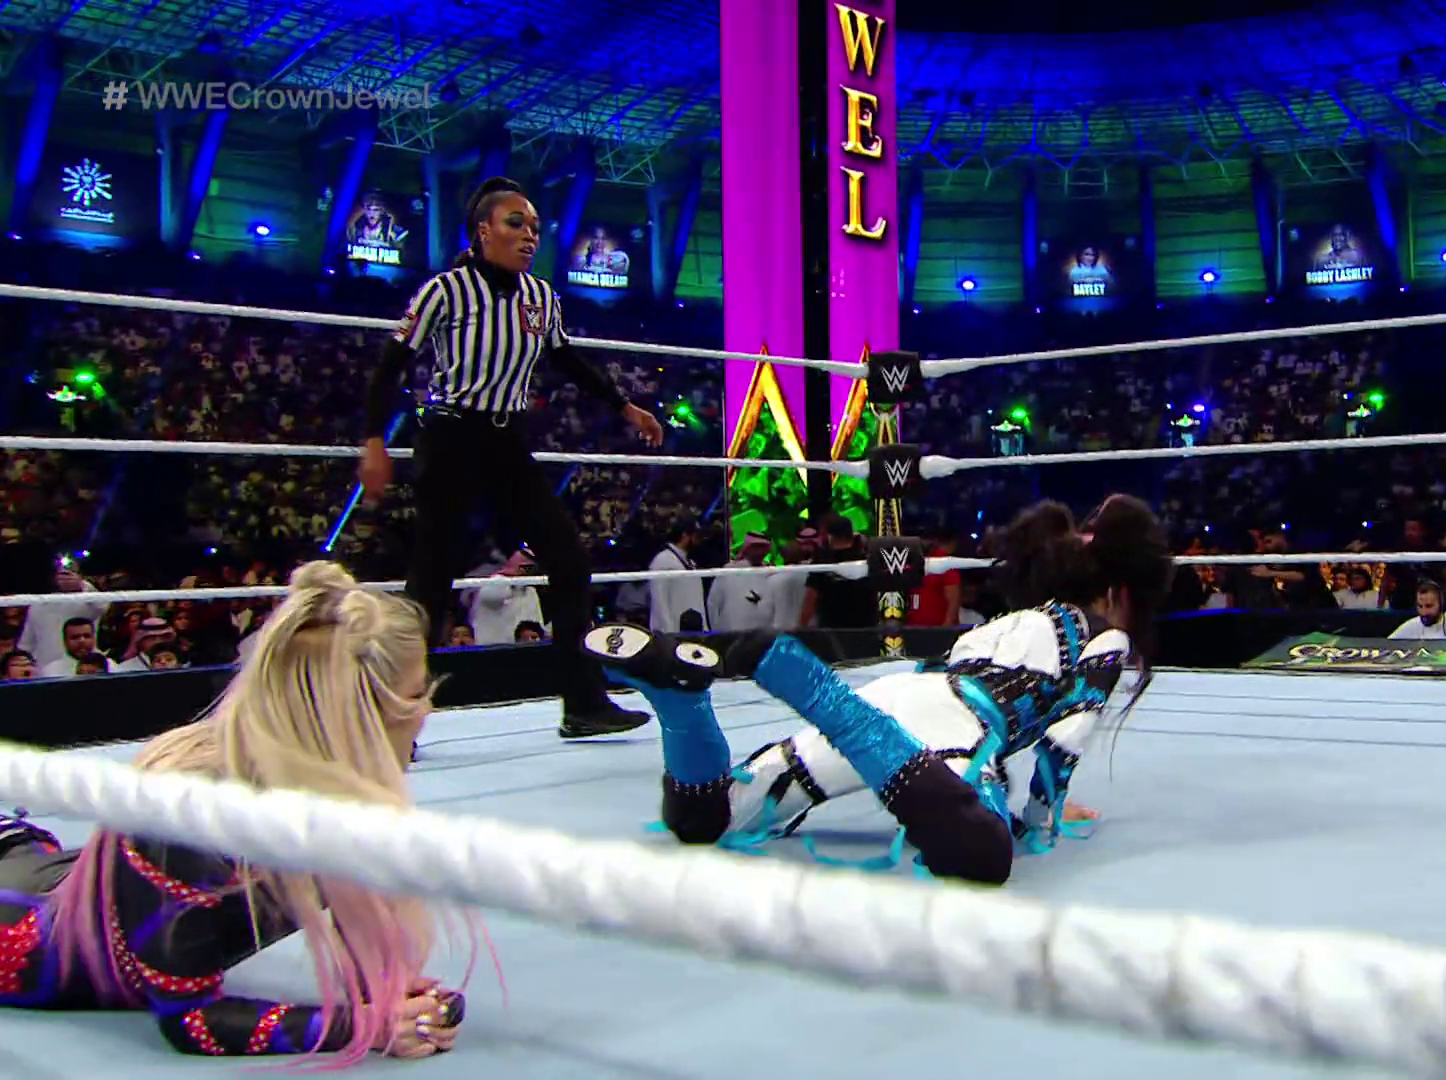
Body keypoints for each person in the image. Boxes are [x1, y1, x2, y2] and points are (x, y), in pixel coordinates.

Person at [0, 562, 475, 1060]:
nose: (427, 711)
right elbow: (190, 1019)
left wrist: (388, 994)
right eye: (416, 696)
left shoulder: (336, 796)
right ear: (357, 715)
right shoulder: (187, 811)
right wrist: (358, 1027)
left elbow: (353, 919)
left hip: (48, 871)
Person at [587, 495, 1173, 886]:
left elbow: (936, 681)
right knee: (983, 853)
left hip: (896, 698)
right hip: (951, 728)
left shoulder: (1011, 622)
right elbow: (1066, 739)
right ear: (1128, 590)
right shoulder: (1104, 637)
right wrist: (1043, 817)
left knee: (710, 816)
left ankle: (682, 699)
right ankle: (825, 700)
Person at [358, 176, 660, 739]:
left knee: (569, 561)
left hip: (507, 442)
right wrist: (374, 440)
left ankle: (584, 704)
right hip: (452, 437)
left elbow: (567, 360)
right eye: (515, 223)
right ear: (483, 230)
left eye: (535, 228)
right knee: (431, 577)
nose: (529, 236)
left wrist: (625, 406)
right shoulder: (445, 290)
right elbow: (390, 365)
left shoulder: (541, 296)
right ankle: (391, 720)